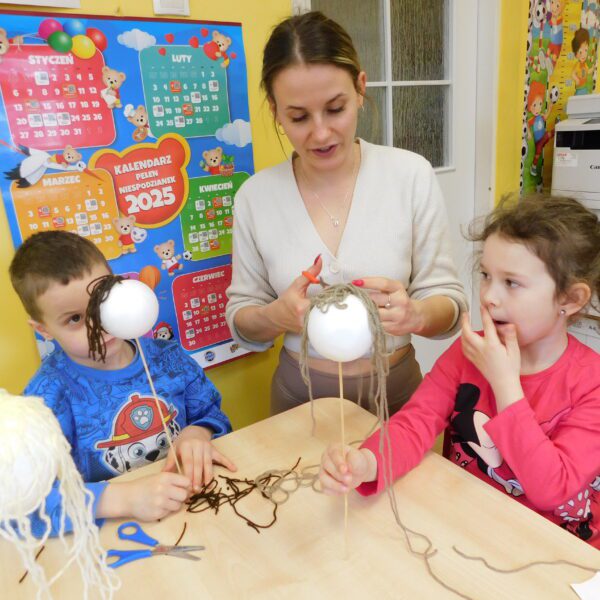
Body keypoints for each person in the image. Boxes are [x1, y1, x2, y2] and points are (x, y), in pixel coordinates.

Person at [319, 194, 600, 547]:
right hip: (467, 525)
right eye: (486, 275)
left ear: (570, 299)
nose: (489, 296)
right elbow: (415, 424)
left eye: (511, 283)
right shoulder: (468, 352)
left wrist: (505, 384)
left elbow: (551, 489)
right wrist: (367, 462)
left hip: (555, 547)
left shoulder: (592, 384)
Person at [225, 11, 467, 416]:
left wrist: (418, 314)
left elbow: (451, 305)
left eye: (335, 109)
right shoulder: (255, 196)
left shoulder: (410, 174)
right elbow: (241, 318)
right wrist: (275, 316)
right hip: (299, 403)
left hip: (399, 400)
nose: (320, 133)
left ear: (360, 89)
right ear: (275, 111)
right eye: (298, 117)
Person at [9, 231, 235, 535]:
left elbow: (212, 414)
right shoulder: (46, 397)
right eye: (75, 319)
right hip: (114, 537)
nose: (98, 326)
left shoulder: (168, 357)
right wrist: (121, 499)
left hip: (194, 516)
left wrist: (199, 432)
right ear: (43, 330)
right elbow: (19, 507)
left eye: (101, 301)